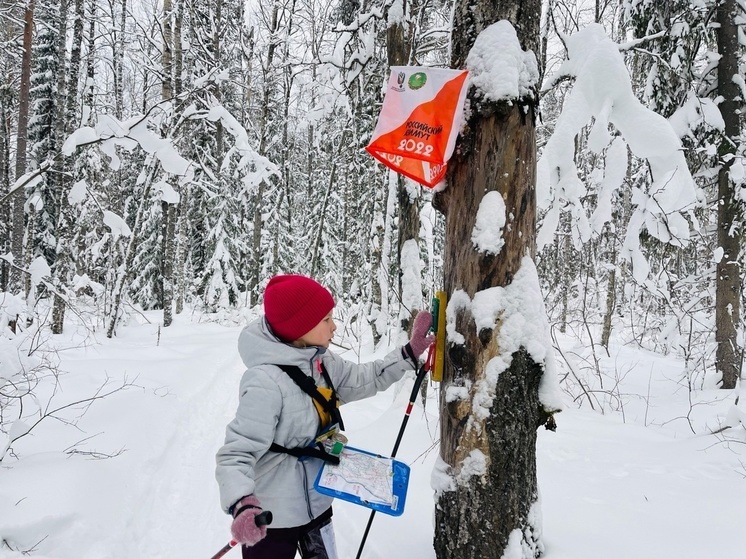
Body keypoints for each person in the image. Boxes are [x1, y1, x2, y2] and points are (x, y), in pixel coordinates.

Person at [215, 274, 434, 559]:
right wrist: (242, 504)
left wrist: (408, 353)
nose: (334, 326)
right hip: (272, 518)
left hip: (318, 502)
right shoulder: (265, 382)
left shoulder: (321, 361)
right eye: (326, 320)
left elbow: (365, 378)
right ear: (299, 327)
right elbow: (236, 452)